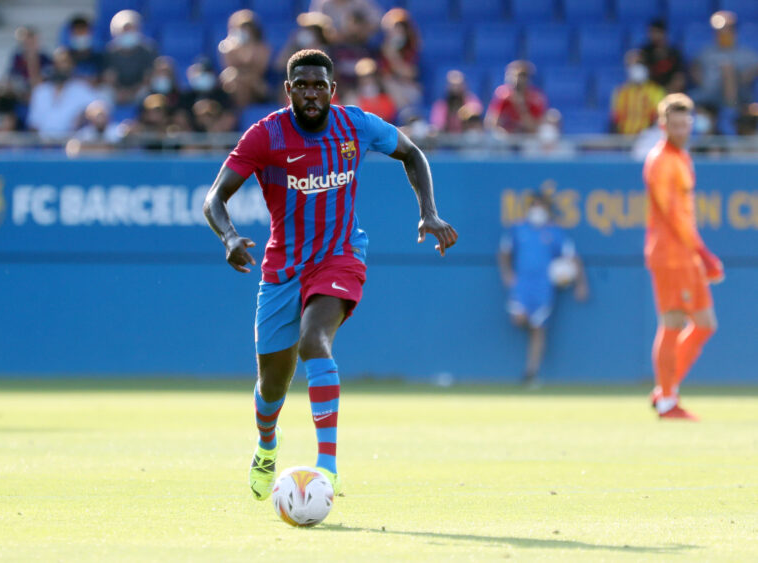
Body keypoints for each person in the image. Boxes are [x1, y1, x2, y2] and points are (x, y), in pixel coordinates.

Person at [202, 49, 457, 501]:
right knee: (272, 385)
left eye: (319, 85)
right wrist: (228, 238)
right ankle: (266, 446)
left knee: (313, 341)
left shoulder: (355, 125)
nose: (311, 93)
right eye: (302, 85)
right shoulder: (266, 136)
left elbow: (412, 154)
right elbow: (214, 199)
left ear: (332, 90)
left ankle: (328, 468)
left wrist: (428, 213)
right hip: (283, 268)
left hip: (340, 257)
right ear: (288, 91)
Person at [643, 93, 723, 420]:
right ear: (663, 125)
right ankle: (666, 400)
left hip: (684, 251)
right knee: (673, 322)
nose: (681, 129)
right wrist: (703, 253)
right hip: (670, 253)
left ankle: (665, 389)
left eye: (685, 123)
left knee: (705, 324)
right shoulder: (661, 160)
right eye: (674, 124)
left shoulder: (681, 157)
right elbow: (673, 213)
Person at [498, 190, 588, 386]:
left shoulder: (555, 232)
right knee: (518, 318)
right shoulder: (518, 229)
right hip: (522, 284)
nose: (538, 211)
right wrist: (507, 275)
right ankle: (530, 369)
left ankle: (531, 372)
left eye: (542, 207)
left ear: (548, 210)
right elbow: (504, 253)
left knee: (539, 328)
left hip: (544, 286)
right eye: (535, 206)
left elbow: (573, 258)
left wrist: (580, 283)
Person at [690, 11, 758, 111]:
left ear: (734, 31)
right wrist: (702, 81)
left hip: (739, 95)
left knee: (728, 69)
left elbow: (754, 69)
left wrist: (743, 77)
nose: (722, 33)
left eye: (727, 29)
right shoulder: (706, 52)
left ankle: (730, 114)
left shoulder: (746, 54)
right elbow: (694, 67)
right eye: (719, 30)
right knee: (687, 101)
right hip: (710, 94)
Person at [27, 48, 99, 139]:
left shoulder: (83, 89)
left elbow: (99, 111)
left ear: (72, 66)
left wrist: (85, 115)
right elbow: (33, 124)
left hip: (71, 144)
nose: (60, 67)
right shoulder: (40, 91)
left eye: (64, 63)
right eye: (57, 63)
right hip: (43, 146)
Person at [103, 9, 157, 105]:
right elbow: (109, 79)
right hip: (118, 92)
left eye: (131, 29)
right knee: (105, 93)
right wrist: (119, 92)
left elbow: (147, 79)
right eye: (125, 29)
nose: (128, 32)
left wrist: (132, 92)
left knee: (147, 93)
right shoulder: (110, 52)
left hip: (138, 90)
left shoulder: (148, 50)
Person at [218, 9, 270, 108]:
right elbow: (228, 66)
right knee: (234, 81)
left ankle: (244, 113)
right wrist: (238, 48)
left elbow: (260, 70)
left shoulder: (263, 48)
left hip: (257, 84)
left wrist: (249, 48)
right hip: (235, 82)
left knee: (249, 81)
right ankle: (241, 113)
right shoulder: (227, 47)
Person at [485, 60, 548, 135]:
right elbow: (490, 123)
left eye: (523, 76)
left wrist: (520, 106)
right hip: (507, 137)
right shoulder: (503, 95)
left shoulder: (536, 98)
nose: (518, 80)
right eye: (513, 76)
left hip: (529, 137)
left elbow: (534, 128)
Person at [611, 49, 665, 135]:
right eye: (632, 65)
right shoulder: (620, 92)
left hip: (647, 140)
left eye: (639, 64)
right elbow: (615, 119)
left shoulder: (656, 91)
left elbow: (657, 118)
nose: (636, 68)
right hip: (624, 141)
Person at [378, 8, 421, 110]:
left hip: (407, 86)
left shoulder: (411, 49)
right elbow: (383, 75)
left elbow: (409, 74)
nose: (397, 33)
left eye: (400, 28)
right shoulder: (383, 48)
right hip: (387, 88)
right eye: (394, 29)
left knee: (413, 94)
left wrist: (393, 56)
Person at [429, 70, 484, 134]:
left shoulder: (471, 100)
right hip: (446, 139)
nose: (455, 89)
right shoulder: (440, 105)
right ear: (447, 87)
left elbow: (477, 111)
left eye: (458, 86)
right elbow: (437, 125)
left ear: (464, 86)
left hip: (466, 140)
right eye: (453, 86)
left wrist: (465, 113)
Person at [639, 19, 686, 94]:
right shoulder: (645, 51)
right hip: (650, 89)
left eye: (656, 32)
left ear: (663, 33)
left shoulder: (673, 52)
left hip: (669, 89)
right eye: (651, 32)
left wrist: (667, 89)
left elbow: (679, 75)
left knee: (679, 80)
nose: (654, 35)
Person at [8, 26, 51, 103]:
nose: (30, 45)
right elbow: (13, 78)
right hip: (22, 97)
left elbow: (47, 78)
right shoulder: (17, 59)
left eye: (33, 42)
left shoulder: (45, 58)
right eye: (27, 43)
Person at [64, 14, 103, 83]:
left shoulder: (100, 57)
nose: (80, 35)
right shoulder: (65, 57)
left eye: (83, 32)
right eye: (77, 32)